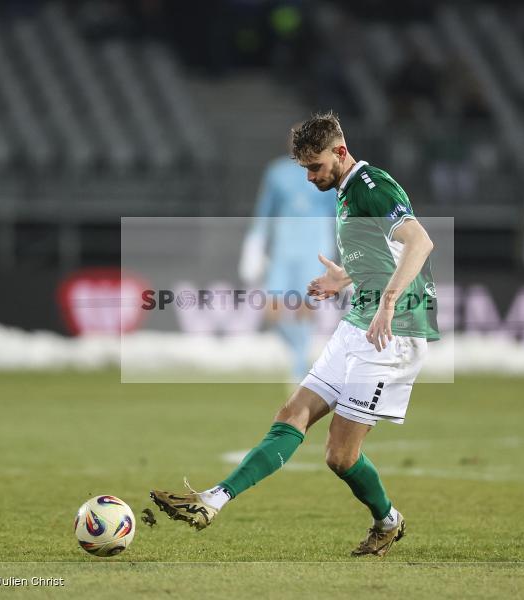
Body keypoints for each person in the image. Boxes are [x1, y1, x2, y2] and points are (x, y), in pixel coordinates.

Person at [151, 111, 439, 557]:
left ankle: (388, 520)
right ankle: (215, 498)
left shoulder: (371, 187)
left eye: (315, 167)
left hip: (392, 331)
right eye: (304, 168)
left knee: (339, 457)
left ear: (340, 152)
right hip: (359, 323)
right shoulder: (345, 191)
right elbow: (383, 253)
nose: (309, 177)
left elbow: (419, 241)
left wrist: (388, 303)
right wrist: (343, 279)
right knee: (292, 414)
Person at [239, 138, 335, 384]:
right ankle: (298, 354)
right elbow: (266, 209)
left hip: (314, 245)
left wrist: (340, 246)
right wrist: (255, 242)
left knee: (306, 305)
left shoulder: (326, 169)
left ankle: (299, 365)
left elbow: (336, 211)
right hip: (284, 245)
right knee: (271, 306)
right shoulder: (277, 171)